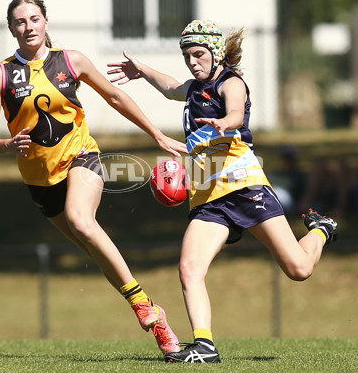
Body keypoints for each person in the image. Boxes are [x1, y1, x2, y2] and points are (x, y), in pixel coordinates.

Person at [107, 20, 339, 363]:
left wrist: (224, 123)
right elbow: (170, 86)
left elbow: (234, 111)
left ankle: (322, 229)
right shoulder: (191, 88)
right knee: (189, 268)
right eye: (187, 55)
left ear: (215, 53)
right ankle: (204, 346)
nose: (192, 61)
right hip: (207, 197)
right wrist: (141, 70)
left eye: (198, 54)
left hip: (244, 186)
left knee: (298, 269)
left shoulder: (231, 83)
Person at [0, 0, 186, 355]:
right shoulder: (0, 75)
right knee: (90, 243)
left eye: (35, 19)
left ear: (45, 22)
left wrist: (156, 134)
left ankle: (143, 310)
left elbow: (115, 97)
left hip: (82, 157)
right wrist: (6, 145)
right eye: (20, 21)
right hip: (40, 183)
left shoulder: (71, 61)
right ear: (11, 28)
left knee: (82, 221)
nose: (28, 27)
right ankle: (154, 312)